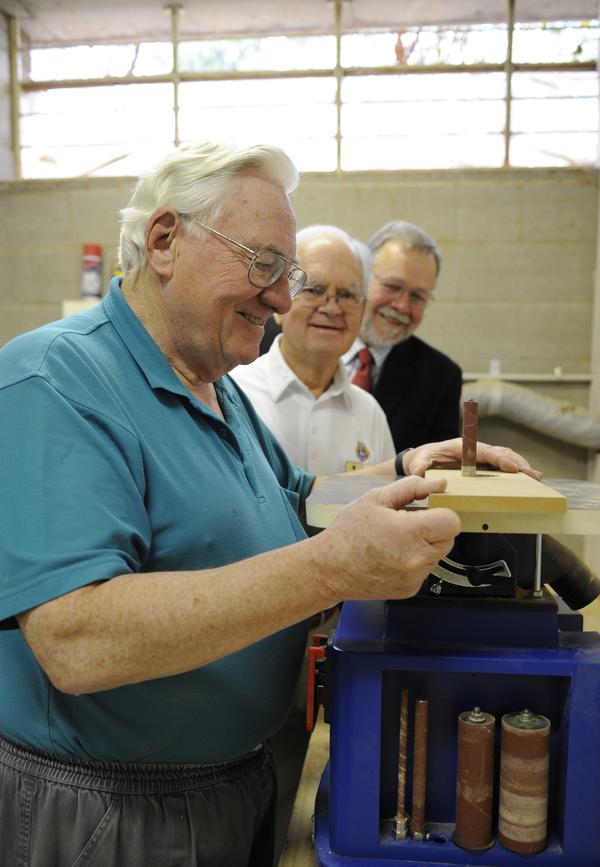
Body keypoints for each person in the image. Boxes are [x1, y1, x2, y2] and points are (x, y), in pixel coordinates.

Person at [0, 141, 538, 867]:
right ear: (164, 241)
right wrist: (332, 570)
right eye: (264, 266)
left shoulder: (212, 383)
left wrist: (411, 465)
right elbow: (76, 640)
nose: (285, 299)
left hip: (230, 783)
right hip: (114, 810)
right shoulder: (54, 380)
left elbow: (298, 495)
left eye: (285, 274)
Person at [231, 224, 394, 474]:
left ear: (362, 310)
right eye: (314, 290)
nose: (331, 308)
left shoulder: (369, 412)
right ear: (280, 300)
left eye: (347, 295)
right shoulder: (235, 394)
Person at [343, 220, 463, 451]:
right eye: (392, 286)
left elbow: (437, 470)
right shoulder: (300, 340)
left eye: (417, 296)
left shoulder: (440, 377)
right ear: (363, 276)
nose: (402, 306)